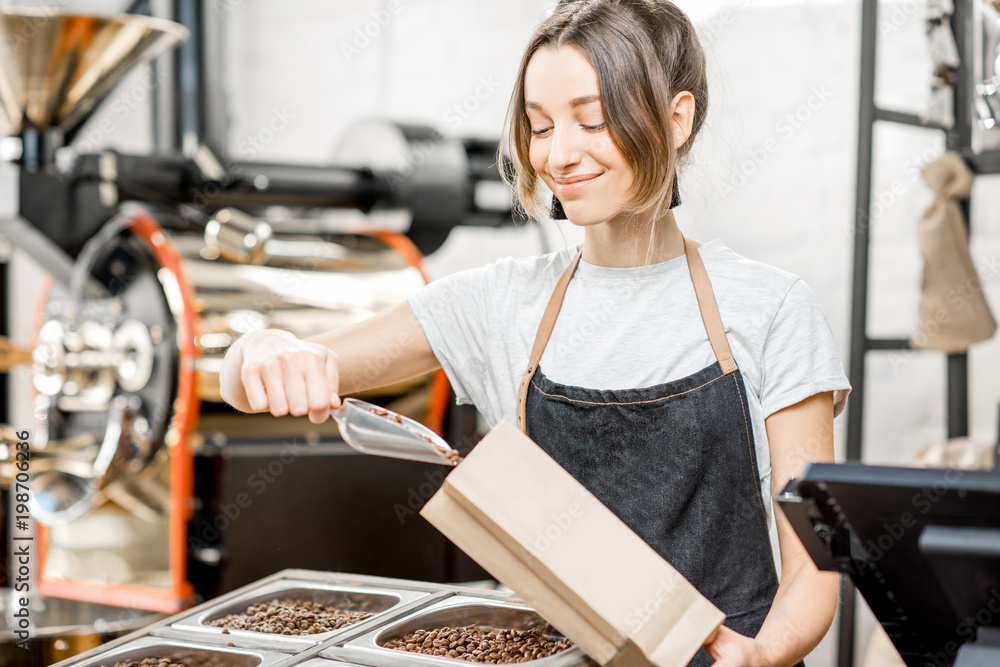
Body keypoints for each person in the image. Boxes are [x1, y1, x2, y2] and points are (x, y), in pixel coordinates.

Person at [220, 1, 852, 665]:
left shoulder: (770, 307)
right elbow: (266, 374)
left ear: (676, 118)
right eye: (539, 125)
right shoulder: (500, 302)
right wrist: (261, 351)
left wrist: (764, 654)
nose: (557, 154)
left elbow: (817, 562)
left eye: (592, 120)